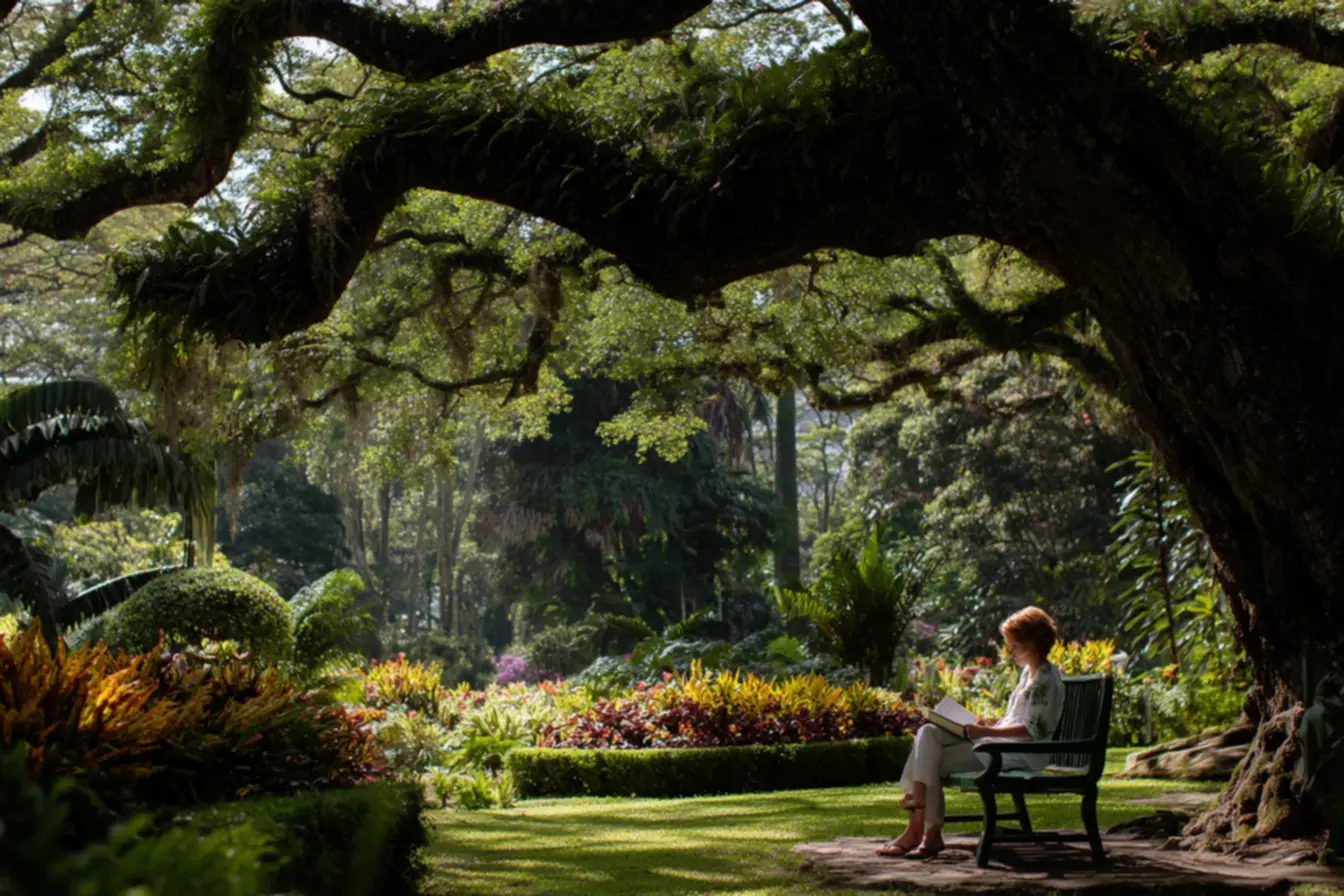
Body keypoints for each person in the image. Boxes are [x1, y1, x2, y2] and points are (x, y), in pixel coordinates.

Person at [877, 606, 1065, 858]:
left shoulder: (1045, 680)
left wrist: (984, 732)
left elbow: (1032, 731)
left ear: (1031, 643)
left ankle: (920, 826)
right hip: (999, 745)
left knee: (928, 757)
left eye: (1013, 645)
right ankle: (925, 829)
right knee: (929, 732)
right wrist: (990, 725)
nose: (1009, 652)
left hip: (1020, 753)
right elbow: (1018, 718)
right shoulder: (1028, 675)